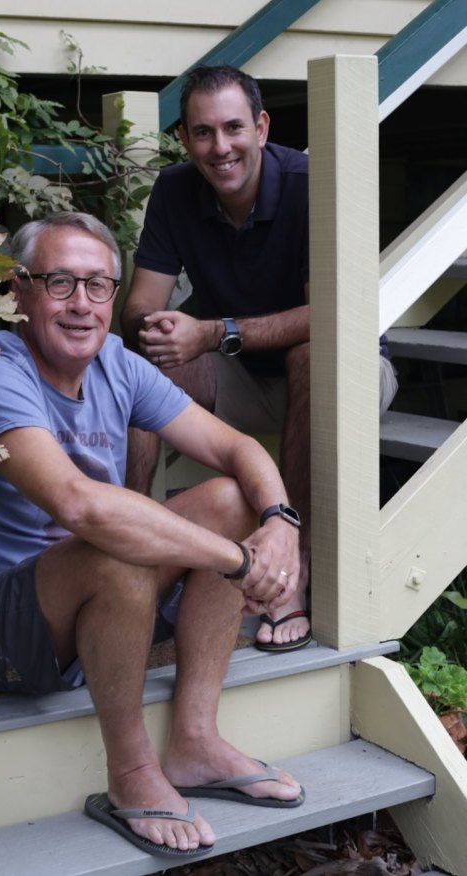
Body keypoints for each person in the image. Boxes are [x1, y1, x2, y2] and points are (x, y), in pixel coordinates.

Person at [0, 212, 305, 862]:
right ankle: (131, 775)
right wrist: (239, 560)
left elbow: (235, 449)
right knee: (115, 549)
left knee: (235, 500)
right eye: (60, 282)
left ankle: (196, 741)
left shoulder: (117, 364)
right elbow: (79, 505)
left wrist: (280, 526)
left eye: (98, 286)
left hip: (80, 601)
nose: (82, 304)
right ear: (16, 292)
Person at [120, 64, 398, 655]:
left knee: (308, 356)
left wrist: (215, 331)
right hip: (240, 374)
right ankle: (129, 546)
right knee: (140, 362)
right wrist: (160, 327)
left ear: (262, 126)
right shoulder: (175, 188)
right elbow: (140, 303)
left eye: (233, 128)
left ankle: (288, 570)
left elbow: (338, 314)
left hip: (342, 375)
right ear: (184, 139)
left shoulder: (308, 182)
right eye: (202, 132)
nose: (220, 148)